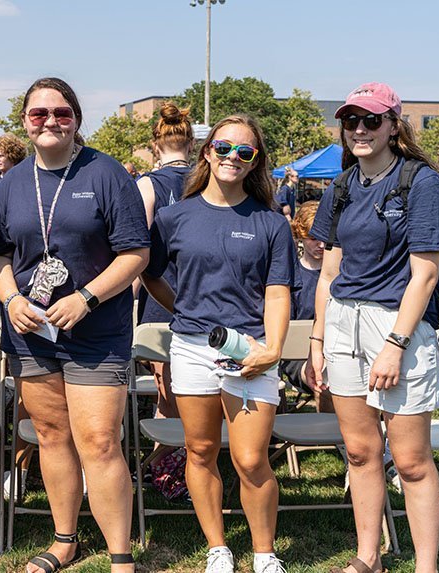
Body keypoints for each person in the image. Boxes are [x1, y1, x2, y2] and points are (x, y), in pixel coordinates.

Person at [0, 77, 149, 573]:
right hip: (31, 332)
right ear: (24, 121)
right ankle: (65, 541)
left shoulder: (106, 174)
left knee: (100, 441)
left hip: (97, 333)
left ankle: (120, 555)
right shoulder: (9, 183)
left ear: (76, 118)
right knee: (51, 434)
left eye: (61, 113)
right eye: (39, 114)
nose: (50, 122)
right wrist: (11, 297)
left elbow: (136, 254)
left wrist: (86, 297)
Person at [142, 114, 297, 573]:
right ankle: (218, 548)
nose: (233, 157)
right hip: (191, 348)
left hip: (251, 349)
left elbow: (278, 292)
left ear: (255, 163)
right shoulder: (173, 217)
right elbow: (150, 275)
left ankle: (265, 553)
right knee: (201, 450)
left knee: (251, 460)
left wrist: (271, 350)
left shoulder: (271, 222)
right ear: (207, 152)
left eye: (244, 152)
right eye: (224, 147)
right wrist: (185, 311)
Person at [307, 82, 439, 573]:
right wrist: (318, 340)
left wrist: (395, 344)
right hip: (343, 321)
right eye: (351, 121)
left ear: (394, 125)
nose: (360, 130)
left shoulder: (421, 181)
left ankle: (425, 566)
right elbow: (328, 272)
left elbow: (426, 274)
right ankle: (369, 557)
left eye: (371, 120)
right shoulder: (342, 186)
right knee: (361, 452)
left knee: (410, 460)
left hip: (397, 324)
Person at [135, 101, 194, 425]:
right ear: (192, 144)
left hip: (160, 294)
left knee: (167, 393)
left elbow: (138, 249)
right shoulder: (207, 182)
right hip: (200, 290)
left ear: (155, 145)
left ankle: (165, 466)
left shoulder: (147, 184)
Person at [276, 201, 334, 412]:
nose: (320, 245)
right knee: (323, 378)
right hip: (298, 357)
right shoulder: (290, 277)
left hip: (336, 350)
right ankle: (329, 434)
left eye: (325, 239)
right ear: (300, 235)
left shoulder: (342, 275)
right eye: (313, 238)